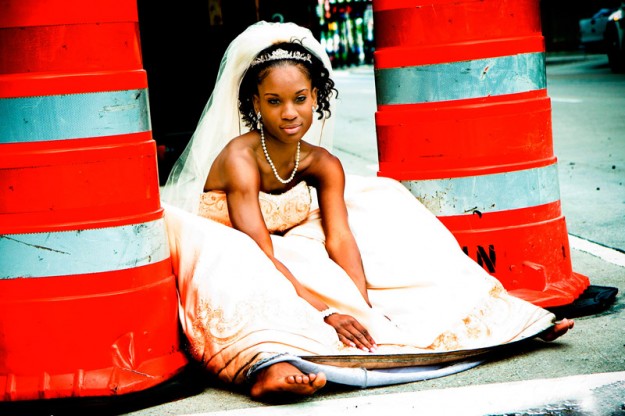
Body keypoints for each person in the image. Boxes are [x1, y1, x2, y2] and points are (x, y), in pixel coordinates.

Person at [161, 21, 573, 401]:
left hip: (288, 240)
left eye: (300, 99)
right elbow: (261, 252)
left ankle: (509, 324)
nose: (289, 113)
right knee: (240, 265)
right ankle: (270, 364)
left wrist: (360, 306)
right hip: (237, 242)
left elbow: (340, 238)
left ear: (316, 96)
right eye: (274, 101)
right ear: (255, 102)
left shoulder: (322, 162)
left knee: (386, 213)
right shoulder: (241, 158)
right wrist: (327, 312)